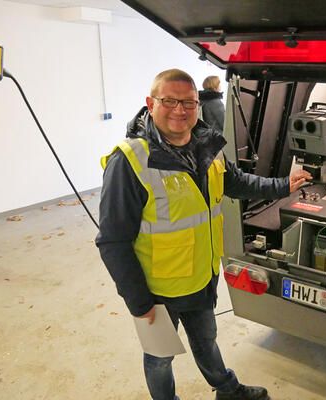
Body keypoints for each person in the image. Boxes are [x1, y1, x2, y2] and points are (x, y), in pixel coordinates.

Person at [95, 68, 311, 400]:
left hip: (200, 278)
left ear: (198, 104)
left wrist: (283, 185)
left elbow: (236, 182)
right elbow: (113, 242)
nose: (180, 110)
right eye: (170, 101)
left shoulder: (207, 146)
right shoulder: (130, 162)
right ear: (150, 103)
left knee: (206, 339)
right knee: (159, 358)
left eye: (188, 102)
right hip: (157, 291)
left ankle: (227, 390)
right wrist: (139, 302)